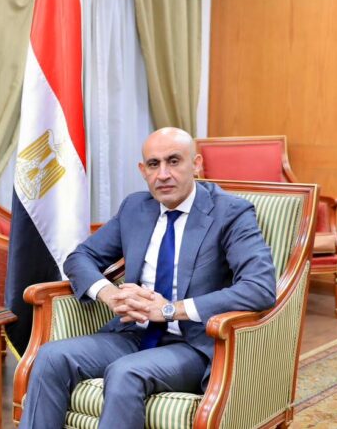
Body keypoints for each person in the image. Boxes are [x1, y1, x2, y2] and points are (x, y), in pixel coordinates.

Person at [19, 127, 276, 428]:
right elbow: (80, 257)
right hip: (133, 333)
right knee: (51, 356)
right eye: (154, 164)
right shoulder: (135, 208)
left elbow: (259, 287)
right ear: (143, 171)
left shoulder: (230, 213)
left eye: (174, 161)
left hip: (193, 343)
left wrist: (169, 310)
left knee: (125, 373)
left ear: (196, 164)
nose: (163, 174)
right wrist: (110, 295)